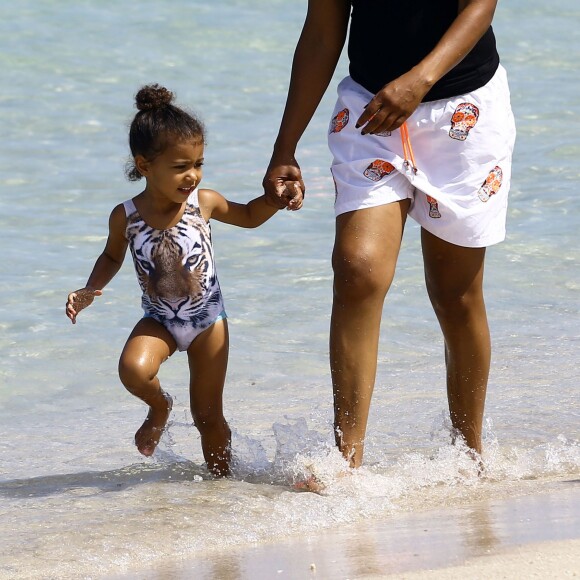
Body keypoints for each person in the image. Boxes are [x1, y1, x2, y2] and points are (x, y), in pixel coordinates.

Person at [263, 0, 515, 468]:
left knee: (454, 294)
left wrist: (420, 80)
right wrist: (285, 146)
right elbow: (322, 33)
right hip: (370, 110)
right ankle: (347, 465)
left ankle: (469, 456)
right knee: (357, 270)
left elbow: (481, 7)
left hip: (463, 112)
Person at [66, 84, 302, 476]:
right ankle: (159, 406)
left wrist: (275, 202)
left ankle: (221, 486)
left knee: (208, 417)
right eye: (180, 167)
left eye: (198, 164)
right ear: (144, 166)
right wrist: (89, 289)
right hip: (159, 319)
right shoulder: (125, 216)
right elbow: (111, 256)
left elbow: (248, 216)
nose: (192, 175)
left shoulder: (203, 202)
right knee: (133, 370)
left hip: (208, 322)